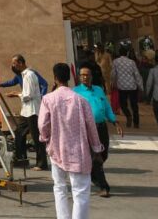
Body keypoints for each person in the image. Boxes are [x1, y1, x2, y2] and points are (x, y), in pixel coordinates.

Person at [39, 63, 104, 219]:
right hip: (79, 152)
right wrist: (97, 149)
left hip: (56, 150)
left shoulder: (48, 99)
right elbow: (91, 127)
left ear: (55, 78)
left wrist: (45, 138)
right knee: (80, 191)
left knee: (59, 187)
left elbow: (42, 125)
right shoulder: (81, 100)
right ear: (69, 78)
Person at [74, 65, 123, 198]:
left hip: (101, 127)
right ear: (79, 77)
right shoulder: (76, 92)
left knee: (103, 154)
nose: (84, 77)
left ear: (91, 77)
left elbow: (107, 107)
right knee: (96, 158)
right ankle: (103, 187)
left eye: (87, 75)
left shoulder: (99, 90)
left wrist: (115, 121)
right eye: (82, 75)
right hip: (87, 129)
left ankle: (92, 175)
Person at [2, 54, 48, 170]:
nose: (13, 66)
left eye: (14, 63)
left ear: (21, 63)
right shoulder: (24, 75)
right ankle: (21, 157)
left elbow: (28, 95)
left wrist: (16, 94)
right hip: (26, 110)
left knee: (36, 137)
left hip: (32, 110)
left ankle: (42, 163)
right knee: (19, 132)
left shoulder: (29, 75)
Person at [111, 46, 144, 128]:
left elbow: (113, 74)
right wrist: (141, 86)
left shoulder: (115, 62)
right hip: (132, 86)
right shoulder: (132, 62)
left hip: (121, 86)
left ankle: (128, 115)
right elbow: (136, 74)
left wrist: (113, 84)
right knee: (134, 105)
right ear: (127, 53)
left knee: (123, 104)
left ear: (119, 53)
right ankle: (136, 123)